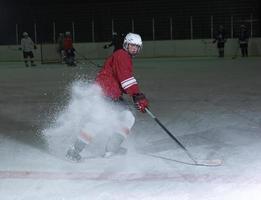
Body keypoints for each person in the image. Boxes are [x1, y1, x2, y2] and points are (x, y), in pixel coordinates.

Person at [66, 33, 149, 162]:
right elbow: (126, 78)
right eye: (132, 45)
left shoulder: (124, 56)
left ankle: (112, 147)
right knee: (98, 122)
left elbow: (122, 79)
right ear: (126, 44)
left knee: (127, 117)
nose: (134, 48)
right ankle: (73, 151)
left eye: (137, 47)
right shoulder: (122, 55)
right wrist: (137, 95)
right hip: (104, 94)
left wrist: (135, 95)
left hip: (111, 94)